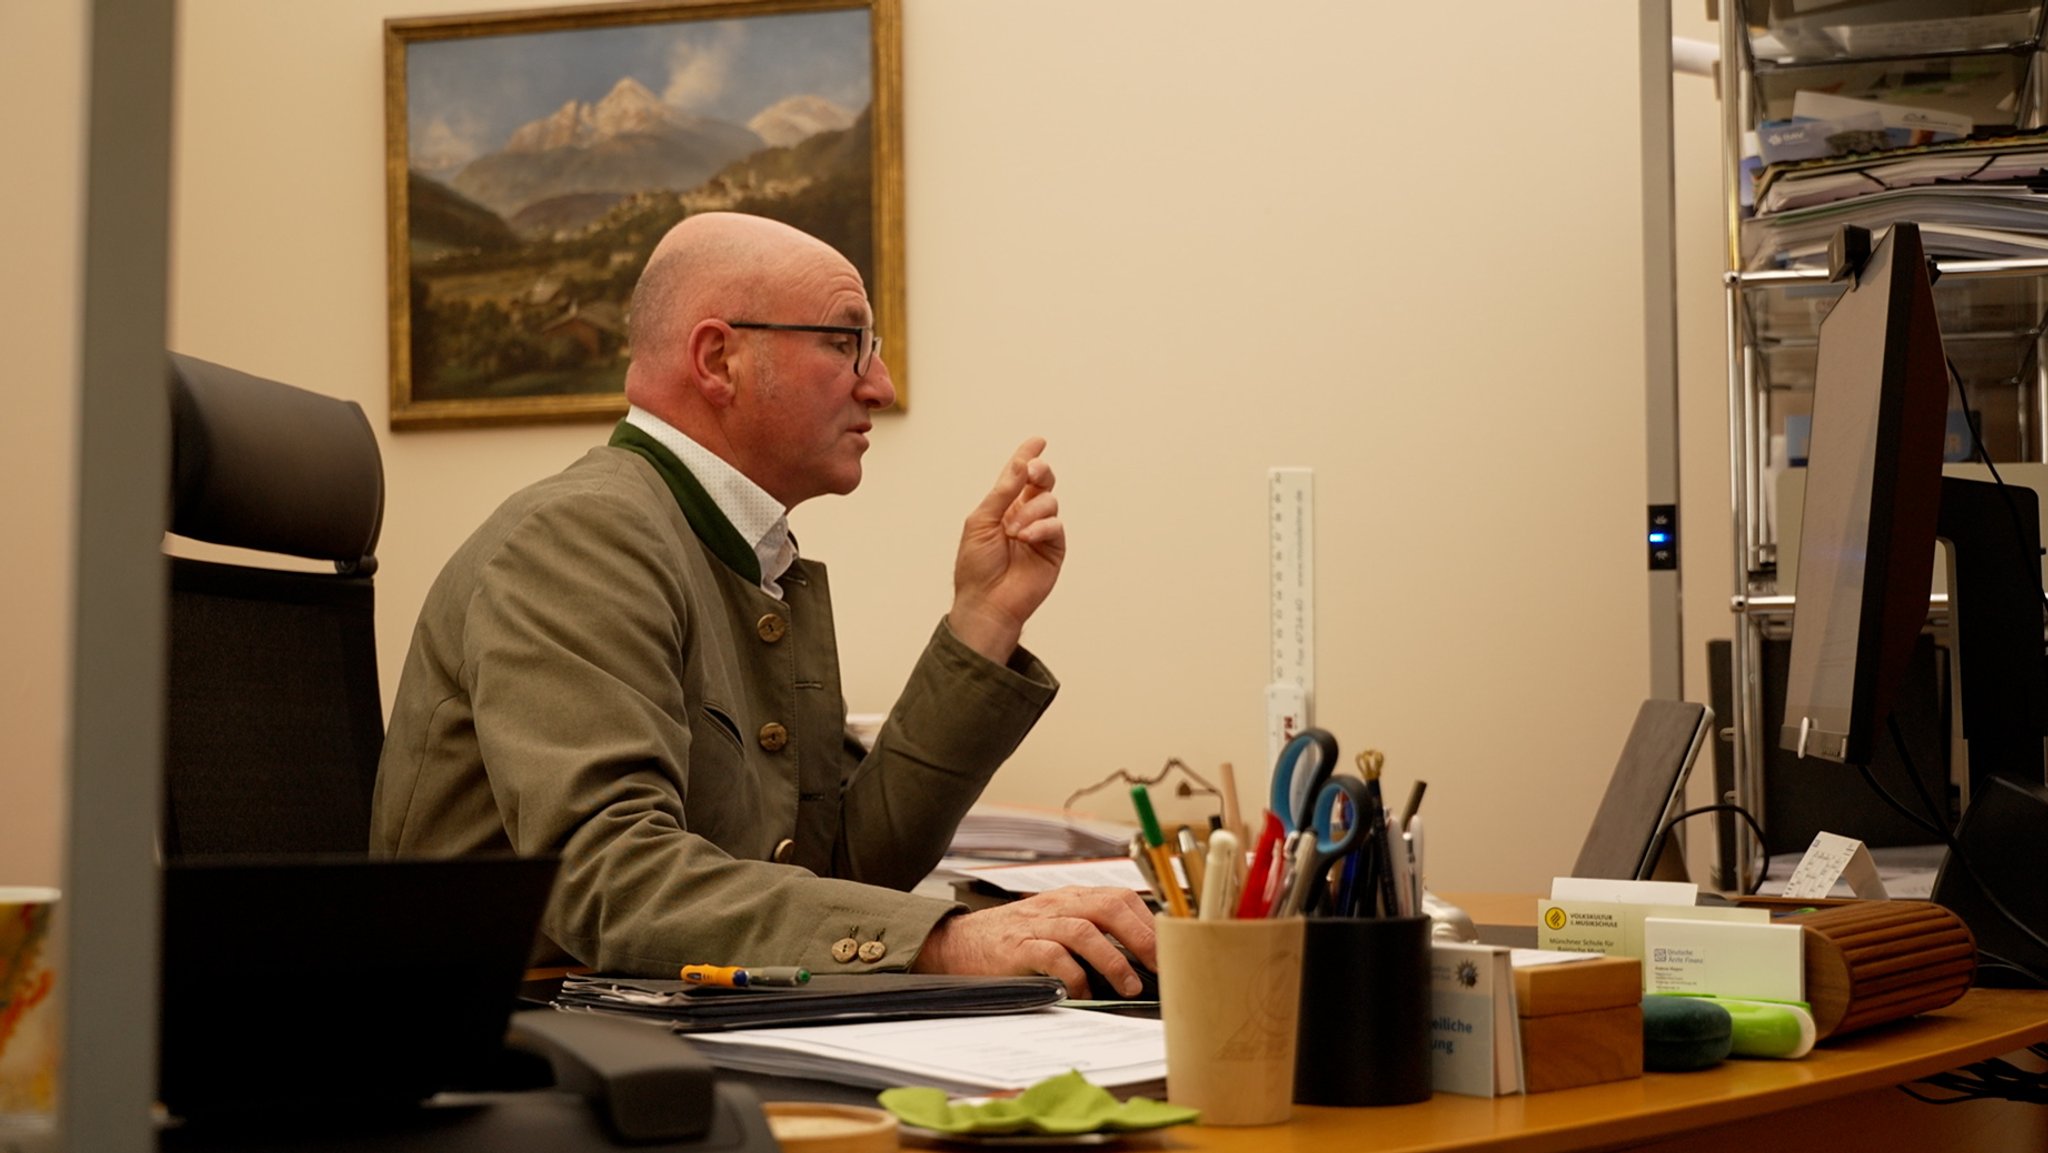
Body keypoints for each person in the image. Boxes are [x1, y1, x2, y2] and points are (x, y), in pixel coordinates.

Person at [372, 212, 1153, 997]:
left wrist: (983, 622)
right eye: (846, 341)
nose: (879, 385)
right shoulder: (579, 537)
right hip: (501, 1051)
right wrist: (948, 943)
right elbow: (614, 879)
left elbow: (837, 868)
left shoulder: (737, 554)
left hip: (648, 1023)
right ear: (719, 358)